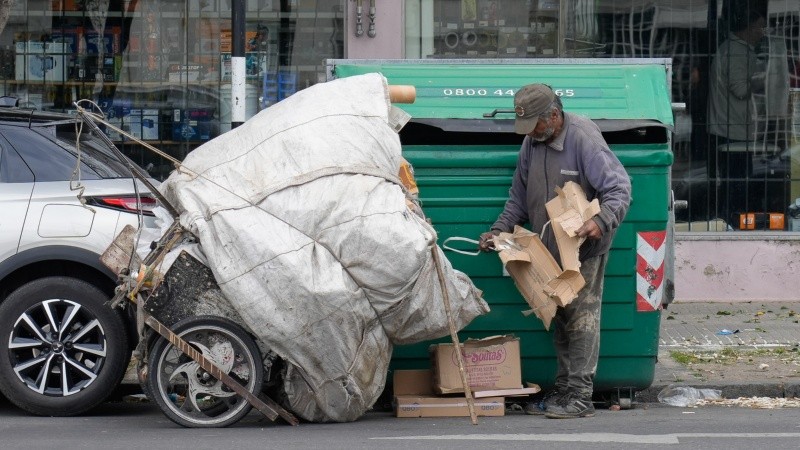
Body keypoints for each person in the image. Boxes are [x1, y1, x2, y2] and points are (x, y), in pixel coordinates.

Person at [478, 84, 631, 419]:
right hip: (549, 251)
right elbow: (518, 197)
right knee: (559, 318)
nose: (530, 132)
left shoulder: (583, 137)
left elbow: (619, 188)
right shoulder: (532, 142)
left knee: (581, 319)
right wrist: (498, 231)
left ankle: (580, 397)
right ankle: (563, 391)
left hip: (583, 249)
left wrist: (602, 221)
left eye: (535, 124)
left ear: (554, 115)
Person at [706, 6, 767, 224]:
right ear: (748, 28)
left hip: (730, 128)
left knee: (733, 184)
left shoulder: (733, 50)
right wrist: (765, 77)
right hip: (732, 131)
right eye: (760, 27)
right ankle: (733, 224)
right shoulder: (737, 52)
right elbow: (740, 89)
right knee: (737, 185)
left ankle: (730, 222)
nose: (763, 32)